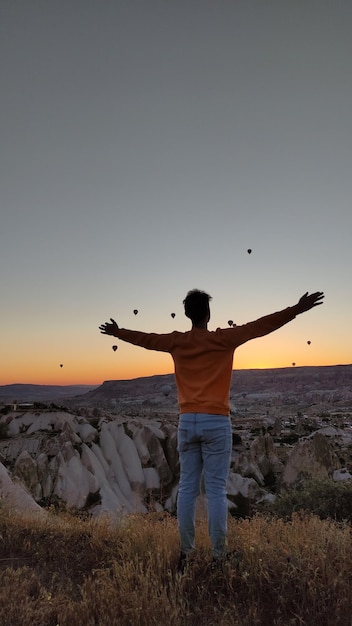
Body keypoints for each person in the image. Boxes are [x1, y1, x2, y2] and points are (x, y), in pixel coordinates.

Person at [99, 289, 324, 569]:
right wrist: (297, 308)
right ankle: (219, 554)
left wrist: (118, 332)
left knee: (187, 489)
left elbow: (146, 339)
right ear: (208, 313)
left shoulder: (177, 342)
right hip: (216, 421)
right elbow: (261, 326)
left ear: (187, 314)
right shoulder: (222, 339)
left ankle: (187, 553)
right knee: (216, 491)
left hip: (187, 421)